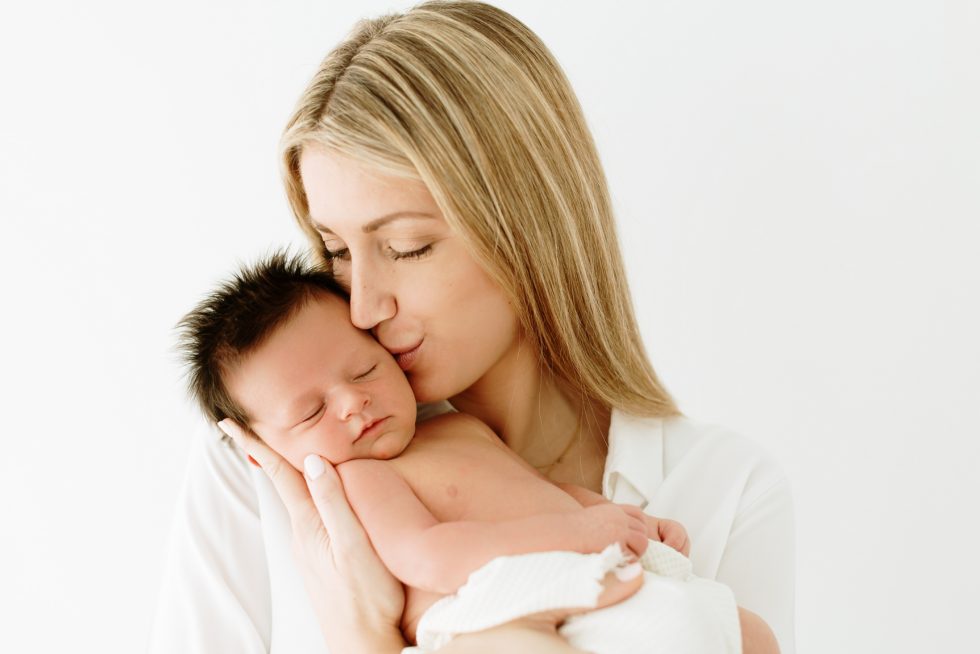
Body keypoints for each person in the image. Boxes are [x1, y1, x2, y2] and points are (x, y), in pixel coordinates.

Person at [150, 2, 793, 653]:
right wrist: (360, 636)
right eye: (338, 253)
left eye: (405, 247)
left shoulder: (723, 487)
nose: (364, 306)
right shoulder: (267, 467)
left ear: (527, 229)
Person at [176, 251, 741, 653]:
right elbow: (431, 558)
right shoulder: (362, 482)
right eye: (310, 413)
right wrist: (577, 535)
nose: (353, 404)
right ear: (263, 448)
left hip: (582, 581)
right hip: (483, 618)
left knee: (747, 633)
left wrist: (619, 518)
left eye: (365, 369)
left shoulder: (459, 429)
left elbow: (538, 495)